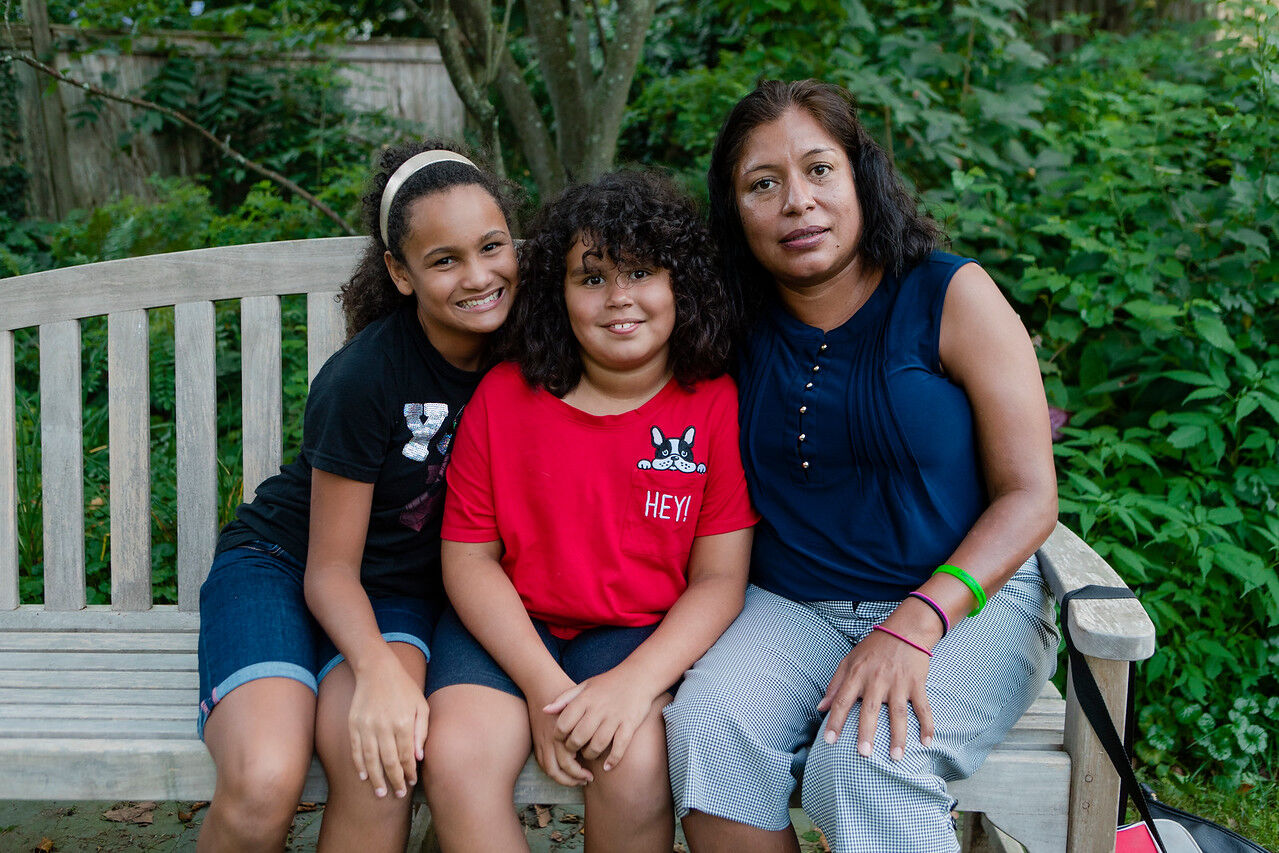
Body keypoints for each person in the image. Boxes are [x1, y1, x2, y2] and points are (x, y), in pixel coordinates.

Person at [662, 79, 1061, 853]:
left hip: (967, 600)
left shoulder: (950, 296)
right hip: (792, 604)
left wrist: (913, 622)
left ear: (859, 180)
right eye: (762, 183)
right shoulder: (726, 322)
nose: (796, 202)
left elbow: (1029, 496)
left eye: (818, 170)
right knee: (707, 728)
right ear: (734, 210)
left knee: (861, 759)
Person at [195, 140, 518, 853]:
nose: (478, 276)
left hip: (397, 591)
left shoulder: (529, 353)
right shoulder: (364, 377)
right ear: (400, 274)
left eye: (491, 246)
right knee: (263, 777)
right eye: (444, 260)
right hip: (282, 565)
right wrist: (374, 668)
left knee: (383, 767)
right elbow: (329, 567)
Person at [423, 171, 758, 853]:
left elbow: (720, 580)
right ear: (558, 293)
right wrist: (546, 692)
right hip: (509, 626)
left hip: (633, 632)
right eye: (592, 278)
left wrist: (635, 685)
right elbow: (467, 558)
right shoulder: (504, 396)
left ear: (679, 285)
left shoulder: (714, 402)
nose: (620, 298)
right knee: (457, 758)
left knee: (632, 765)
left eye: (640, 272)